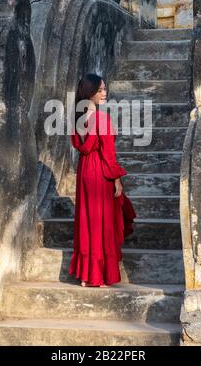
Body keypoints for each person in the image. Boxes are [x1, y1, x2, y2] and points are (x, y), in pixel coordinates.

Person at [68, 73, 136, 287]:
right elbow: (108, 153)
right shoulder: (100, 118)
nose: (104, 93)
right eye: (100, 90)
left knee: (87, 221)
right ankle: (99, 274)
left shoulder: (77, 119)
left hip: (84, 171)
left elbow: (79, 146)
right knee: (102, 222)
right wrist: (117, 179)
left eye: (105, 89)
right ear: (90, 92)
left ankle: (86, 275)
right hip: (99, 172)